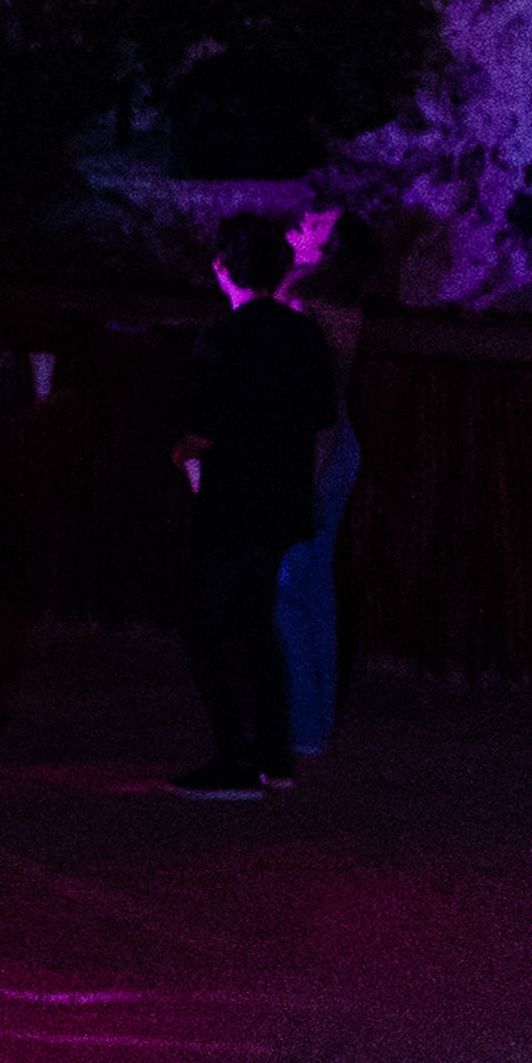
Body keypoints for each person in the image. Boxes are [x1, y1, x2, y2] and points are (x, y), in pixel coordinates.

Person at [166, 213, 348, 799]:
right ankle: (275, 756)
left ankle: (235, 758)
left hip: (229, 503)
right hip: (282, 502)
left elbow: (203, 432)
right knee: (259, 624)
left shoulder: (221, 339)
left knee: (205, 626)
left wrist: (181, 453)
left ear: (222, 268)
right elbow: (323, 425)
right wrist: (304, 486)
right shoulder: (305, 335)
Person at [275, 203, 366, 766]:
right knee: (313, 584)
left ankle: (304, 722)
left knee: (289, 584)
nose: (304, 220)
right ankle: (315, 721)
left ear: (329, 247)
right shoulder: (331, 298)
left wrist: (307, 474)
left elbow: (319, 403)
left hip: (316, 444)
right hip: (333, 441)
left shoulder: (305, 300)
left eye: (316, 223)